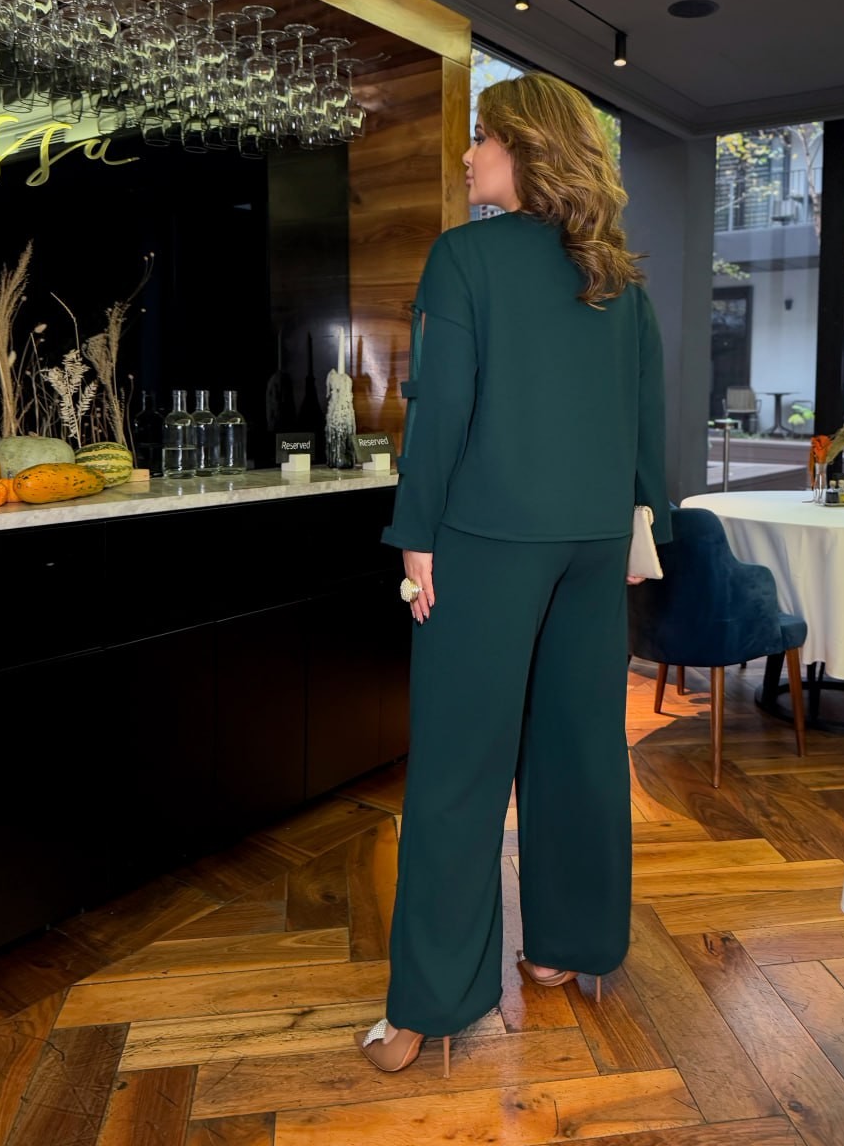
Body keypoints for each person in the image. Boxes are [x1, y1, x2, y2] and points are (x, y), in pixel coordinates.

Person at [356, 71, 670, 1076]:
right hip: (595, 542)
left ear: (527, 149)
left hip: (487, 539)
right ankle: (568, 948)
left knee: (458, 766)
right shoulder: (618, 277)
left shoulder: (465, 257)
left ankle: (429, 1003)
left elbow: (440, 407)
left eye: (482, 137)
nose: (467, 154)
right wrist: (643, 522)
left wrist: (416, 534)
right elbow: (646, 415)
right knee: (580, 749)